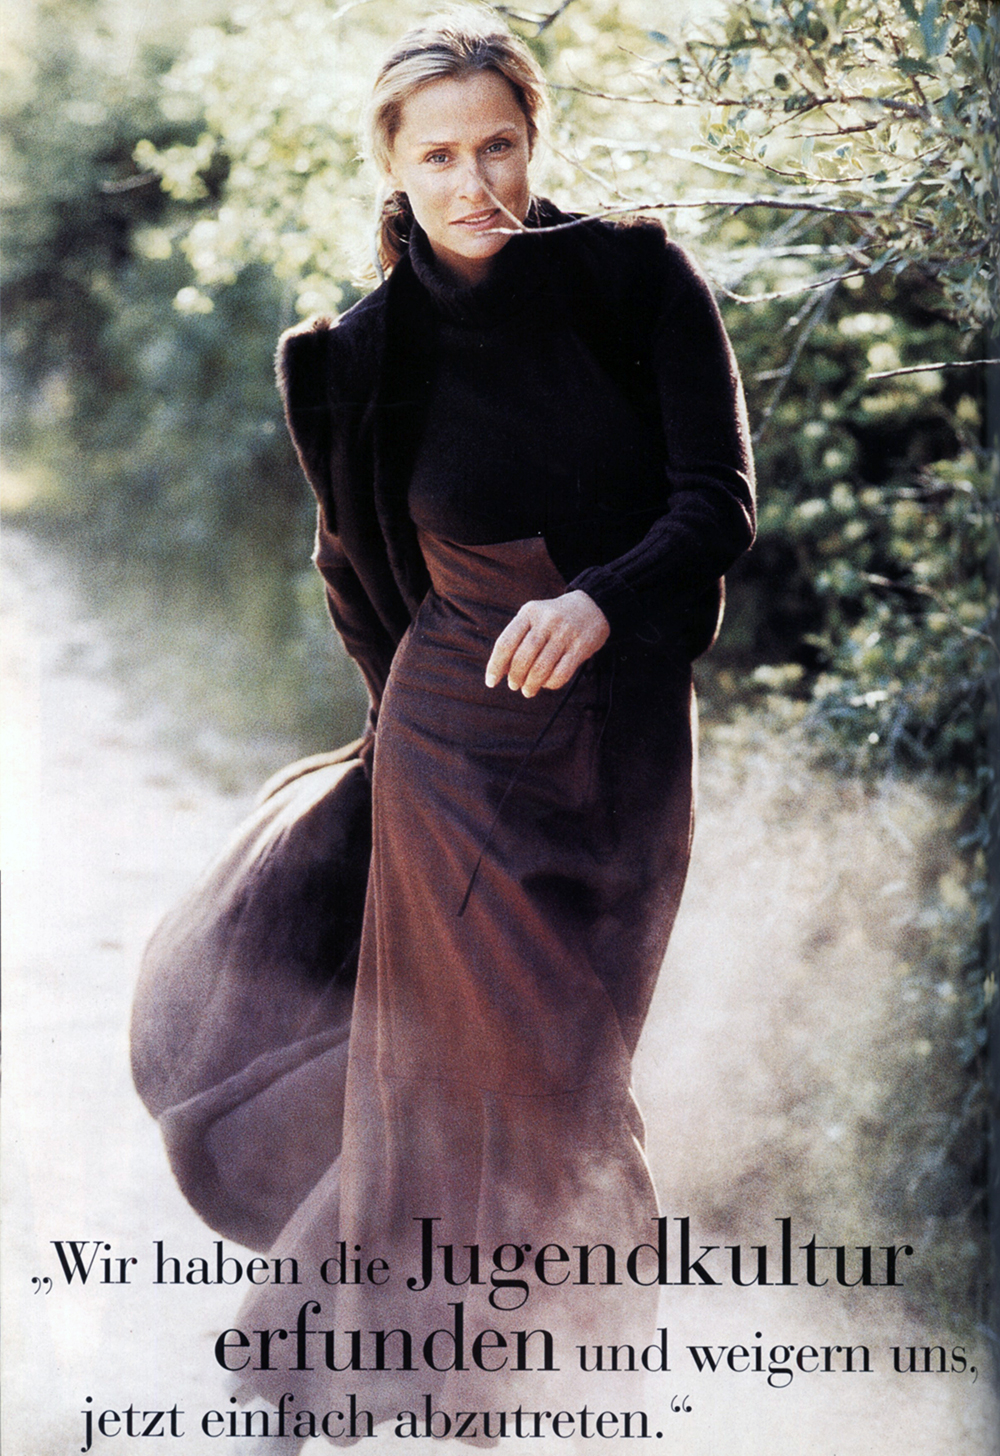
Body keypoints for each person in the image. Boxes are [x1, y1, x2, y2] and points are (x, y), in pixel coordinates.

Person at [133, 9, 755, 1445]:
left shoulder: (636, 280)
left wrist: (601, 604)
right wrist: (389, 768)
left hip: (632, 750)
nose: (475, 183)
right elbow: (362, 584)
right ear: (393, 167)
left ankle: (335, 1373)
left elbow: (718, 505)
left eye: (499, 146)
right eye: (439, 156)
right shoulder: (355, 356)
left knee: (561, 1068)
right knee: (528, 1082)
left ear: (535, 141)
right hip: (456, 759)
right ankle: (549, 1401)